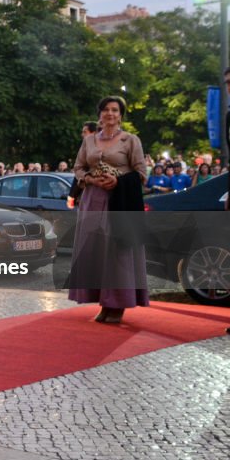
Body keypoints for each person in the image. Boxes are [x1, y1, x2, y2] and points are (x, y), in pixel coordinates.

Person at [68, 96, 148, 325]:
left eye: (115, 110)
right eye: (106, 110)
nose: (110, 114)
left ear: (120, 115)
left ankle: (118, 304)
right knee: (96, 251)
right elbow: (78, 168)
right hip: (92, 202)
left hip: (119, 201)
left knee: (117, 253)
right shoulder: (89, 140)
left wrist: (117, 181)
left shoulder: (130, 140)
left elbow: (142, 173)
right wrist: (91, 180)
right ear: (100, 114)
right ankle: (103, 303)